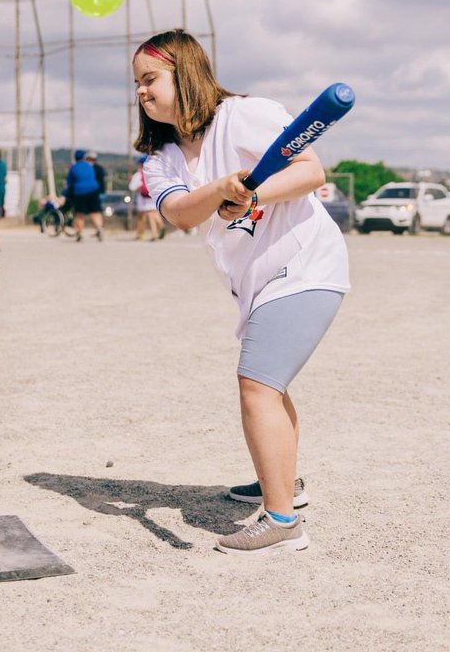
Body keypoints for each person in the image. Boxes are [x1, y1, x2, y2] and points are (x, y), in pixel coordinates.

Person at [135, 29, 349, 555]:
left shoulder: (246, 115)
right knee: (269, 384)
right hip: (255, 282)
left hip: (304, 262)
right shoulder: (160, 159)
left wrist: (251, 192)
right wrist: (221, 190)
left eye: (150, 79)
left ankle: (281, 522)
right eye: (136, 83)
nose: (140, 92)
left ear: (185, 74)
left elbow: (310, 171)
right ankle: (284, 481)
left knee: (256, 384)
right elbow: (182, 214)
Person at [65, 149, 103, 241]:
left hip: (80, 192)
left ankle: (79, 232)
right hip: (93, 190)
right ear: (84, 157)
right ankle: (99, 228)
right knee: (95, 211)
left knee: (80, 213)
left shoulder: (73, 168)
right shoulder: (90, 166)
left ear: (75, 158)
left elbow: (69, 183)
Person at [129, 153, 163, 241]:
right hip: (153, 197)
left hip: (143, 199)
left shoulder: (138, 174)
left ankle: (142, 234)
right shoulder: (154, 173)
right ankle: (161, 226)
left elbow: (132, 187)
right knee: (153, 214)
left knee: (142, 217)